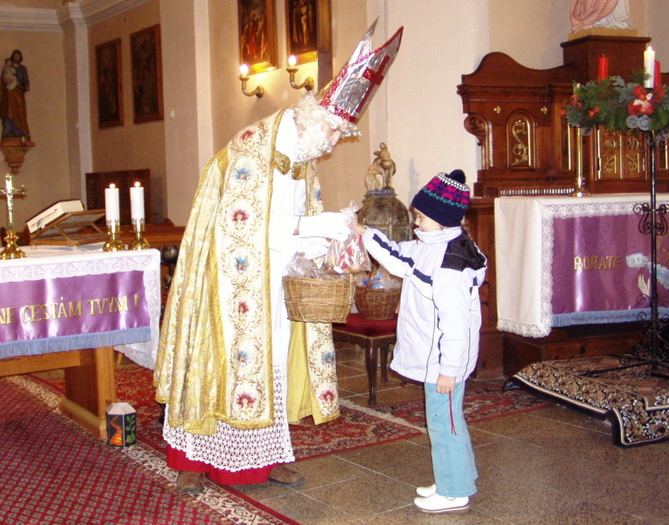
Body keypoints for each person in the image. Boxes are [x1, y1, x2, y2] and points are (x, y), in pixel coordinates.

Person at [154, 20, 403, 495]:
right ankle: (194, 461)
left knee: (271, 363)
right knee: (225, 364)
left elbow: (289, 226)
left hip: (274, 279)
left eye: (341, 133)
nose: (335, 142)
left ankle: (264, 459)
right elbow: (239, 228)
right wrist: (310, 227)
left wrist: (322, 241)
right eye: (334, 131)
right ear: (311, 118)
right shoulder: (251, 148)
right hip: (227, 281)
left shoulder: (302, 157)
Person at [351, 169, 487, 514]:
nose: (416, 223)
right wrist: (365, 234)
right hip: (436, 356)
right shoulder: (432, 245)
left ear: (442, 221)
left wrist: (449, 369)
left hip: (443, 360)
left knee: (444, 423)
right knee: (447, 419)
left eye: (421, 217)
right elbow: (398, 256)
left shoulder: (449, 265)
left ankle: (454, 492)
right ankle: (456, 477)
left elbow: (456, 324)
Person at [0, 49, 30, 140]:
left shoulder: (23, 68)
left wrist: (26, 86)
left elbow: (25, 79)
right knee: (9, 110)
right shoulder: (8, 67)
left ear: (20, 58)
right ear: (13, 57)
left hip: (19, 91)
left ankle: (20, 131)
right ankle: (9, 130)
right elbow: (3, 79)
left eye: (18, 56)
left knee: (19, 110)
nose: (17, 58)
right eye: (15, 56)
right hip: (10, 92)